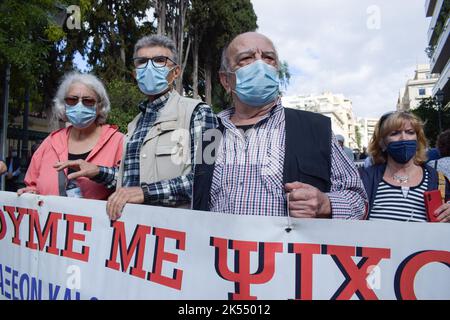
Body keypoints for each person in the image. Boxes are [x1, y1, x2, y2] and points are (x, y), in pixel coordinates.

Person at [193, 32, 367, 219]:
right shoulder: (209, 134)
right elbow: (196, 197)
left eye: (269, 58)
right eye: (246, 58)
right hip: (219, 247)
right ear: (226, 80)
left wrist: (326, 204)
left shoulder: (315, 129)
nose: (260, 65)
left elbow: (360, 203)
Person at [55, 35, 218, 220]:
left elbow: (207, 181)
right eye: (142, 62)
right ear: (135, 74)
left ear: (176, 72)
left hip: (176, 234)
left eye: (159, 60)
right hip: (133, 234)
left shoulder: (201, 113)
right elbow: (132, 180)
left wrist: (145, 192)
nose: (149, 67)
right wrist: (98, 171)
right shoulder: (135, 124)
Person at [17, 72, 124, 200]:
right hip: (51, 219)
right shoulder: (50, 142)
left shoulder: (119, 142)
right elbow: (32, 184)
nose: (79, 105)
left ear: (100, 106)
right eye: (72, 100)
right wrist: (30, 194)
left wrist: (98, 172)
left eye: (88, 101)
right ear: (64, 104)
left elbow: (129, 185)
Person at [359, 111, 450, 222]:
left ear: (418, 139)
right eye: (395, 133)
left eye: (410, 132)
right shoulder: (363, 179)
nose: (404, 138)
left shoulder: (438, 180)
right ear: (382, 143)